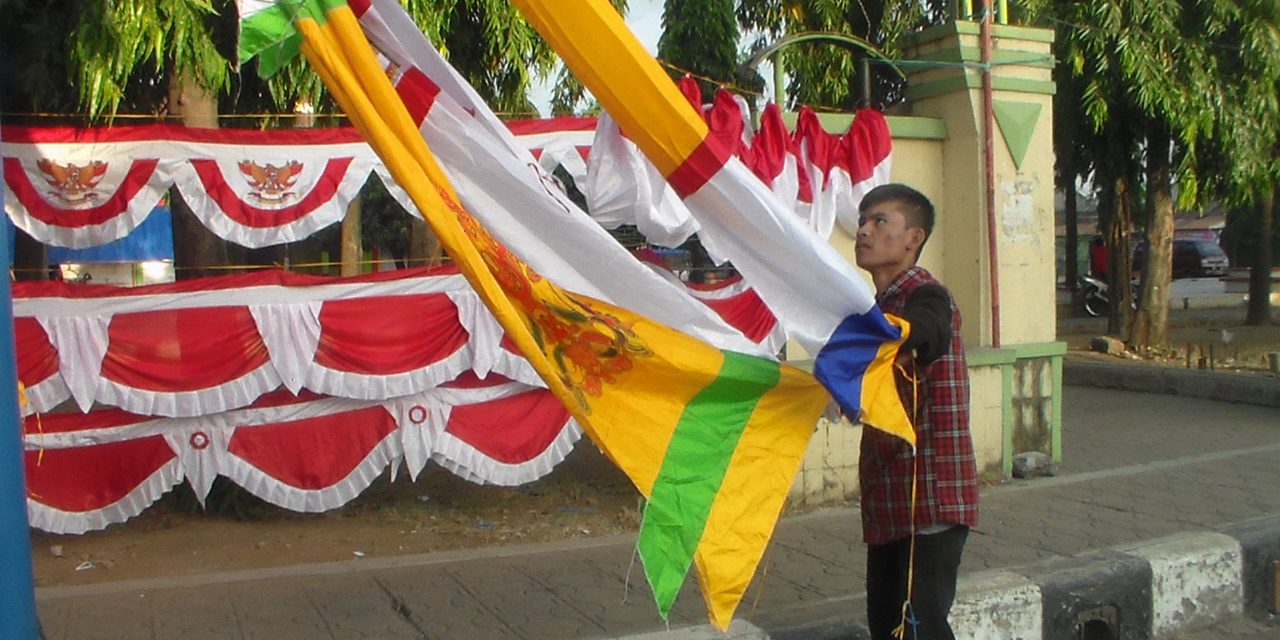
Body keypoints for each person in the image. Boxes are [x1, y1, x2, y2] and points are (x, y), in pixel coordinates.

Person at [853, 183, 979, 640]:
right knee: (887, 626)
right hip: (890, 501)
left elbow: (931, 330)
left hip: (930, 496)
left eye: (879, 221)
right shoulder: (875, 309)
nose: (864, 230)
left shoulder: (925, 295)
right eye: (862, 220)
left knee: (917, 628)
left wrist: (905, 338)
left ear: (914, 238)